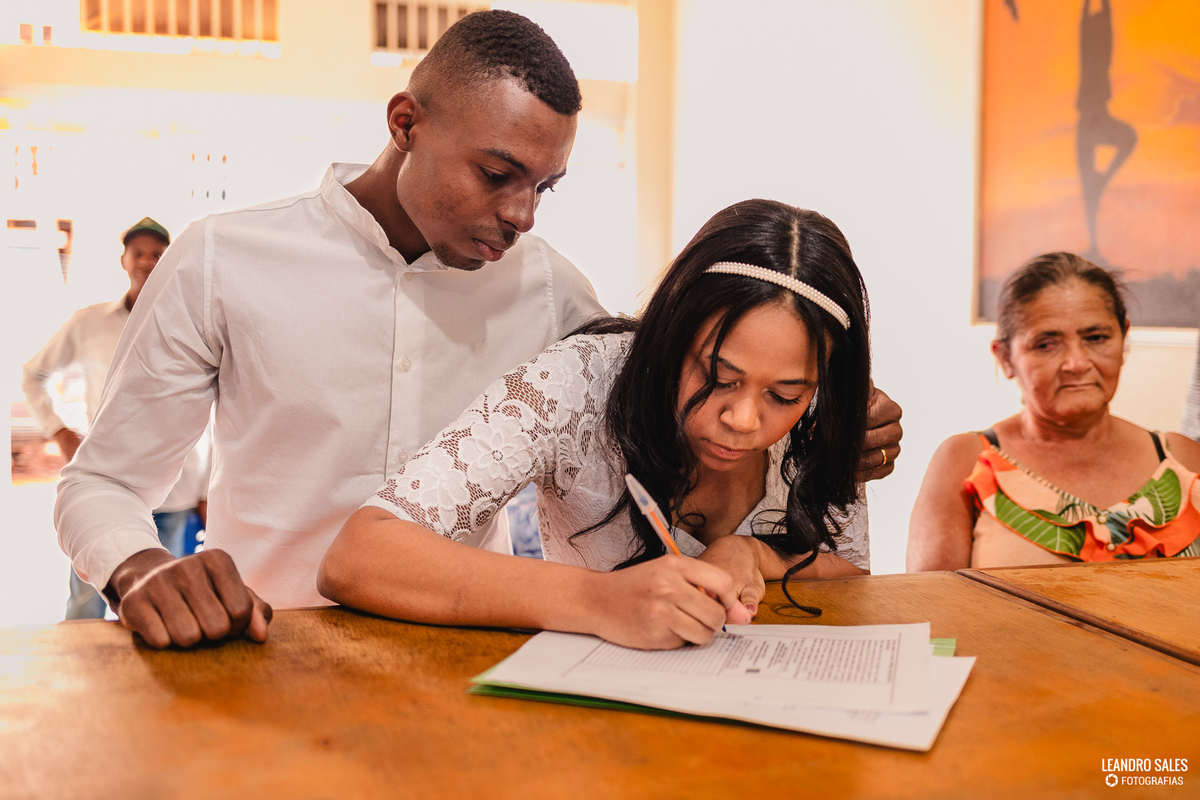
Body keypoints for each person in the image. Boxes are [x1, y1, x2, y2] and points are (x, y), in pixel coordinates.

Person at [319, 199, 873, 650]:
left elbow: (852, 576)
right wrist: (599, 600)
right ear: (672, 329)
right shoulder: (577, 384)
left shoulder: (824, 422)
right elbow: (359, 555)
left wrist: (754, 554)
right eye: (716, 375)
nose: (744, 420)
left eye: (784, 394)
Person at [907, 252, 1200, 571]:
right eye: (1046, 344)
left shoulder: (1181, 459)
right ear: (1005, 357)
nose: (1076, 363)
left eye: (1096, 337)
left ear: (1123, 336)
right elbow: (932, 612)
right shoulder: (965, 462)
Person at [21, 218, 210, 620]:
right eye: (138, 252)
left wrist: (207, 489)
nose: (146, 261)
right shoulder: (87, 322)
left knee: (167, 602)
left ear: (169, 260)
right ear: (123, 259)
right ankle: (84, 678)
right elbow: (33, 374)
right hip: (103, 484)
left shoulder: (190, 324)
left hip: (175, 492)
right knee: (88, 603)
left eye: (157, 254)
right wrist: (59, 432)